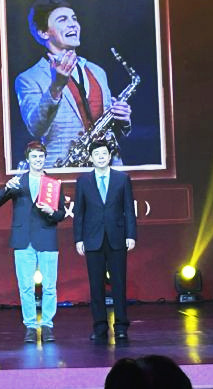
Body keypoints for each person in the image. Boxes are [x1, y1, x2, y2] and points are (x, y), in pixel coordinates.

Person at [14, 0, 132, 167]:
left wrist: (123, 121)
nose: (73, 24)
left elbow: (109, 130)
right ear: (43, 32)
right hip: (63, 170)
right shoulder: (28, 78)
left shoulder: (97, 71)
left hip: (107, 167)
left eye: (74, 18)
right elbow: (36, 128)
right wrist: (56, 87)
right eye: (62, 19)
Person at [0, 141, 66, 343]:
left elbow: (61, 214)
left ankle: (47, 325)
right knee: (25, 287)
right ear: (28, 159)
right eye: (34, 157)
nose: (38, 160)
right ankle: (31, 326)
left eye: (41, 157)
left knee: (49, 286)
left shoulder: (52, 184)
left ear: (45, 159)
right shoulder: (18, 182)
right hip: (23, 240)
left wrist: (52, 212)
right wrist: (6, 188)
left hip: (47, 238)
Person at [73, 139, 136, 342]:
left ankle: (121, 327)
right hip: (92, 239)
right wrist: (78, 239)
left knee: (119, 284)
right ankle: (100, 327)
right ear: (91, 158)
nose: (100, 157)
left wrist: (131, 235)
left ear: (110, 156)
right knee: (96, 286)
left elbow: (129, 210)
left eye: (104, 154)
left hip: (117, 238)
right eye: (96, 154)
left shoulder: (122, 179)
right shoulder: (83, 181)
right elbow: (79, 213)